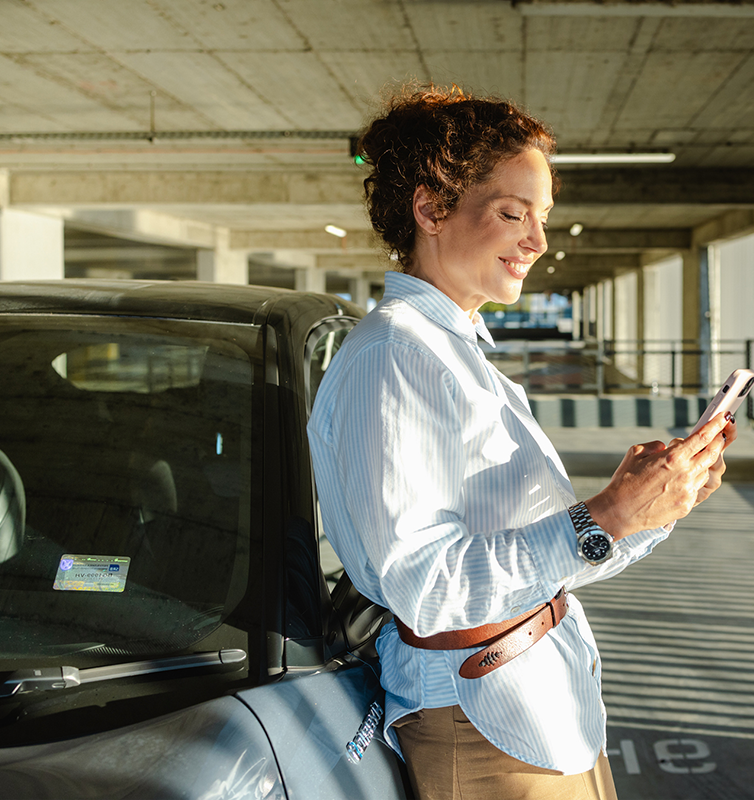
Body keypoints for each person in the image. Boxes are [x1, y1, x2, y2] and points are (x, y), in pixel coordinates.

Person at [306, 85, 734, 800]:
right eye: (513, 213)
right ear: (431, 209)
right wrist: (604, 519)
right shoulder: (392, 355)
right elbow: (426, 585)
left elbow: (543, 562)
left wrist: (650, 508)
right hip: (482, 727)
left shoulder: (457, 354)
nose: (537, 241)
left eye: (542, 217)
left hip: (539, 711)